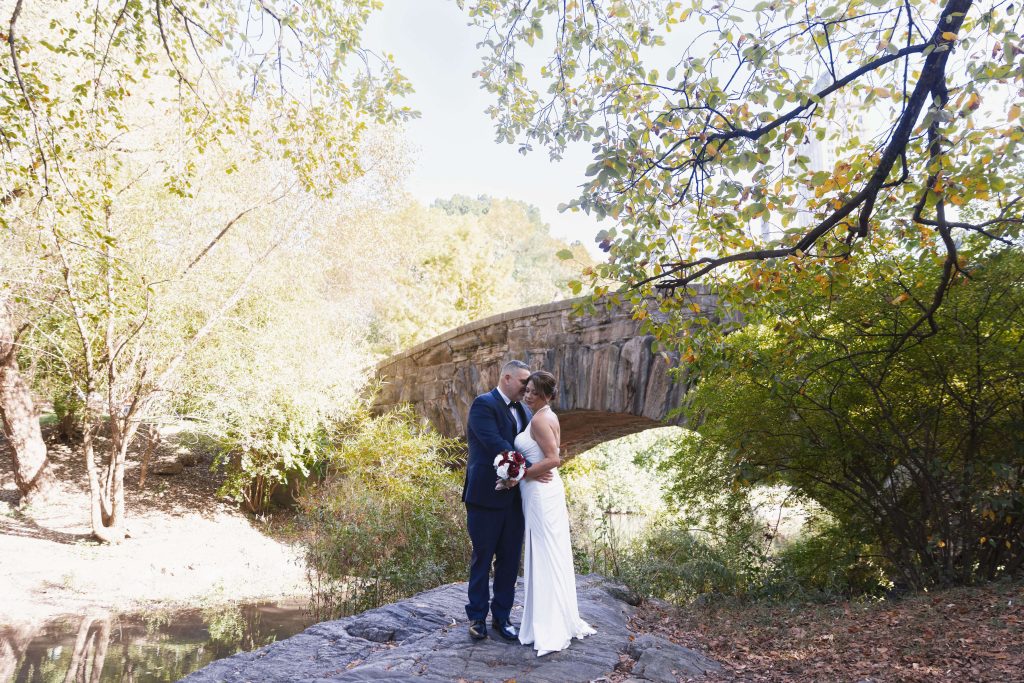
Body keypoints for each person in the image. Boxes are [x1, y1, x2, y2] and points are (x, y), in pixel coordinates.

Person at [462, 360, 551, 641]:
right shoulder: (483, 405)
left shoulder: (525, 411)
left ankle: (502, 617)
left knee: (510, 560)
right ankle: (477, 618)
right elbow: (497, 445)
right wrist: (534, 468)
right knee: (482, 558)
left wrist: (541, 465)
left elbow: (535, 444)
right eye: (524, 382)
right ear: (507, 378)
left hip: (515, 500)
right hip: (485, 497)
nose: (528, 387)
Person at [515, 370, 596, 656]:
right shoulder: (546, 415)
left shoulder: (539, 419)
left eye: (533, 393)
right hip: (542, 490)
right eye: (526, 390)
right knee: (547, 550)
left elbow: (553, 459)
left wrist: (518, 475)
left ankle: (548, 626)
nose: (527, 396)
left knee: (544, 551)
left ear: (546, 395)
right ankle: (551, 618)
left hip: (539, 491)